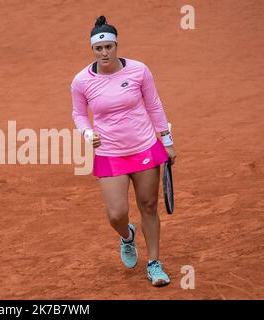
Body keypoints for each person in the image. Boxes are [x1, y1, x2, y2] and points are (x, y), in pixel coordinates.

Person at [70, 15, 177, 287]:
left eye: (109, 47)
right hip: (110, 153)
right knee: (116, 214)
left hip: (144, 146)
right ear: (92, 50)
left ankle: (154, 264)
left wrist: (166, 140)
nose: (104, 53)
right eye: (98, 48)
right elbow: (79, 114)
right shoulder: (82, 81)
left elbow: (154, 105)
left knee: (149, 206)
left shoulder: (139, 70)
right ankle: (127, 236)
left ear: (116, 46)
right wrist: (87, 133)